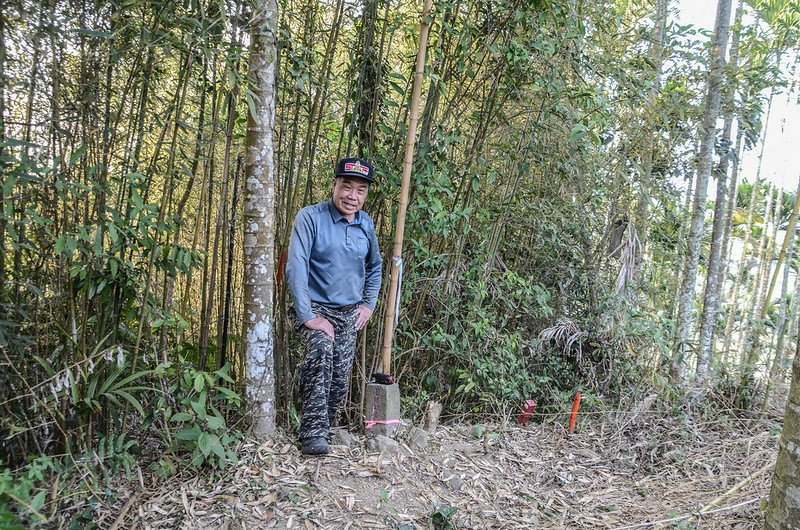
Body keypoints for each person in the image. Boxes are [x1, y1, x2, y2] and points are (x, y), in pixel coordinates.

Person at [285, 157, 383, 455]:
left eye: (361, 190)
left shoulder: (365, 223)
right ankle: (312, 434)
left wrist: (368, 305)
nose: (352, 196)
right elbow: (296, 267)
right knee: (321, 353)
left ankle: (325, 428)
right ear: (334, 185)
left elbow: (375, 267)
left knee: (339, 377)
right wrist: (308, 316)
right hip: (315, 309)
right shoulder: (310, 217)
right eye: (346, 187)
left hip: (349, 313)